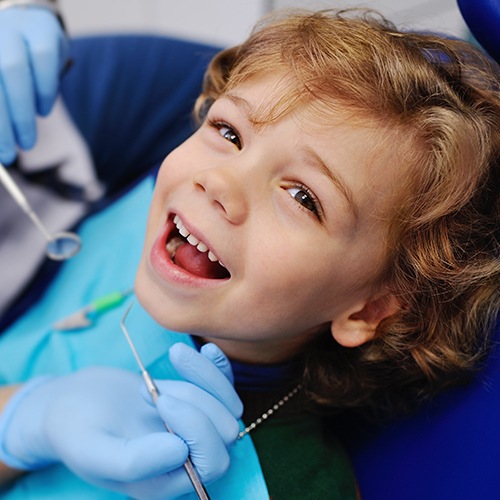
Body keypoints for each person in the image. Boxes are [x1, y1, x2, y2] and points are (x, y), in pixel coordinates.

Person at [0, 4, 499, 500]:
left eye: (303, 197)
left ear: (367, 310)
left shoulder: (290, 488)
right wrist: (25, 421)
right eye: (229, 132)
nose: (219, 182)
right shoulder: (134, 216)